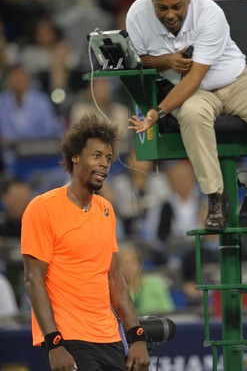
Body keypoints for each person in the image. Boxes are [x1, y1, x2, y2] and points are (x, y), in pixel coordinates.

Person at [126, 0, 247, 232]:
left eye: (176, 7)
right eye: (162, 7)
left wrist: (158, 111)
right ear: (151, 0)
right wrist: (167, 60)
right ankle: (216, 198)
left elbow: (195, 76)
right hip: (194, 93)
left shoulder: (209, 13)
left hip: (237, 80)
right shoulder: (137, 13)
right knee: (191, 114)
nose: (170, 14)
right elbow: (137, 59)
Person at [21, 114, 150, 371]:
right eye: (97, 156)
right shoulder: (42, 207)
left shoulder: (106, 210)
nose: (105, 164)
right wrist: (54, 343)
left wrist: (136, 335)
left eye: (109, 159)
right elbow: (33, 279)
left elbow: (115, 279)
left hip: (109, 337)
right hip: (69, 339)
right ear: (76, 157)